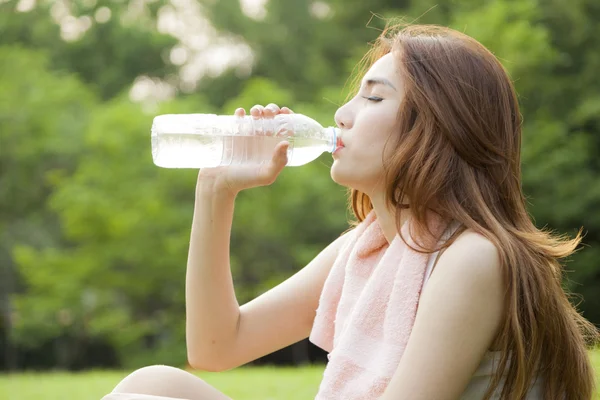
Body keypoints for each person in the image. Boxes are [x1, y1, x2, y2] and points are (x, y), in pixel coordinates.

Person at [102, 24, 598, 400]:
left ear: (438, 127)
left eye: (375, 96)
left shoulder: (473, 258)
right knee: (156, 383)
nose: (342, 113)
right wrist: (216, 190)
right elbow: (214, 347)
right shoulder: (368, 249)